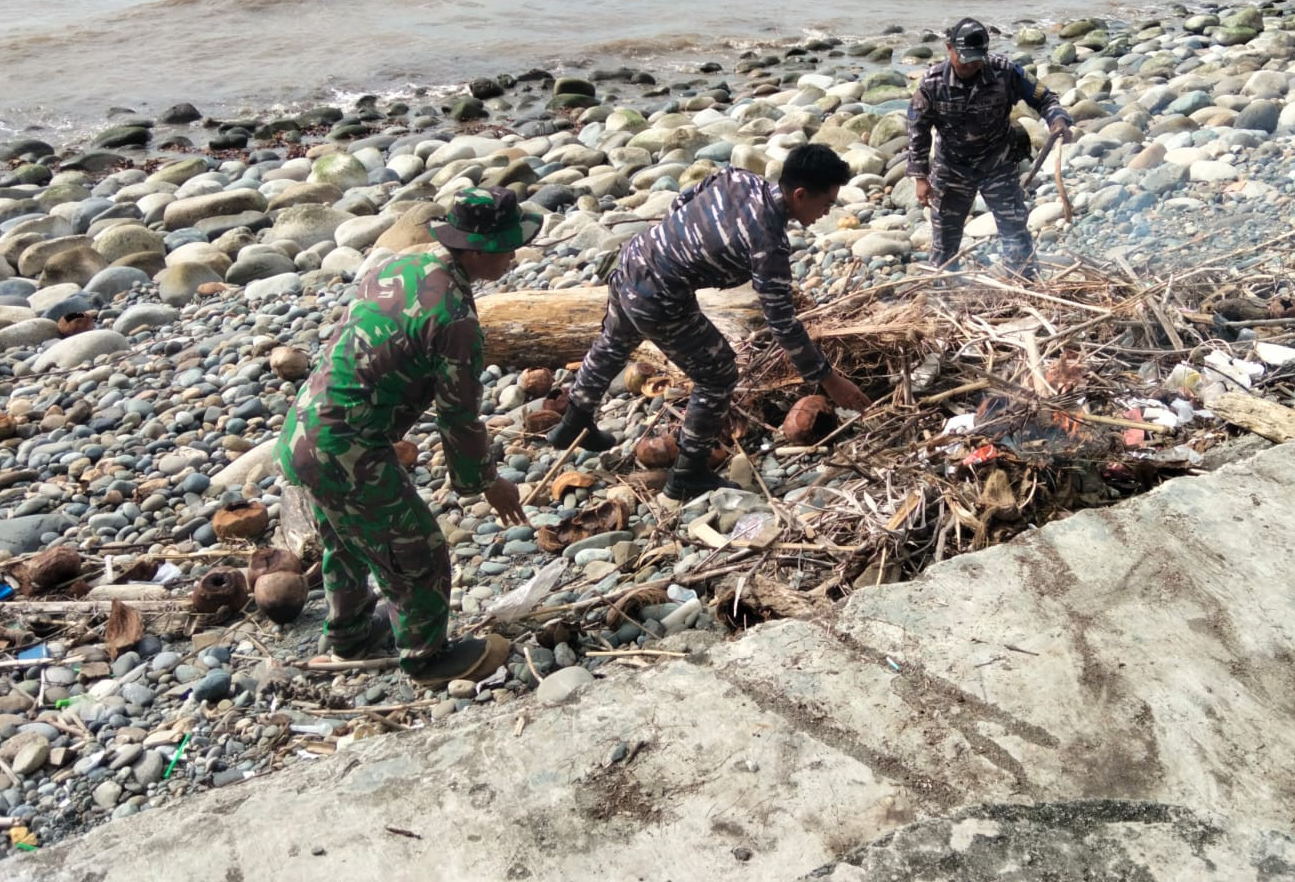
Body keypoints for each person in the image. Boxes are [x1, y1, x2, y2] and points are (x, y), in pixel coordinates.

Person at [275, 186, 536, 688]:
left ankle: (350, 635)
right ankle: (426, 657)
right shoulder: (456, 319)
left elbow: (364, 351)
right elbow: (458, 417)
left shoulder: (398, 267)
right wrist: (487, 483)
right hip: (345, 448)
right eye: (507, 247)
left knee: (347, 539)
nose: (513, 255)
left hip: (304, 428)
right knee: (417, 551)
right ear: (477, 251)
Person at [549, 144, 871, 501]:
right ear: (799, 194)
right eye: (825, 204)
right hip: (660, 297)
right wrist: (828, 378)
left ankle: (573, 420)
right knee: (718, 373)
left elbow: (682, 201)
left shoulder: (739, 178)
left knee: (614, 341)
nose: (826, 213)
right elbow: (782, 323)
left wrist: (686, 253)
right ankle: (689, 473)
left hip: (634, 259)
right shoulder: (768, 241)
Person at [907, 17, 1073, 278]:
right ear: (949, 48)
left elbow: (1045, 97)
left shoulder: (1005, 71)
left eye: (976, 58)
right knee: (945, 237)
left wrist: (1057, 119)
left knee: (1014, 228)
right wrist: (920, 176)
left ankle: (1023, 281)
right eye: (964, 58)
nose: (971, 65)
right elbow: (918, 130)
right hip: (952, 168)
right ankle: (944, 288)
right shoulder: (932, 83)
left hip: (998, 163)